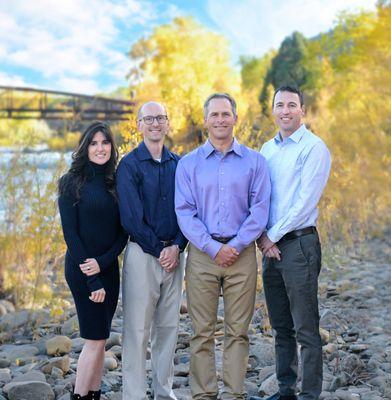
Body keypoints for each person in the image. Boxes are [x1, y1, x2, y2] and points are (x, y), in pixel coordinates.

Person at [175, 93, 271, 400]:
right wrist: (213, 248)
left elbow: (260, 209)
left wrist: (238, 244)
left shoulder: (256, 162)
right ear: (205, 120)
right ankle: (203, 394)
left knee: (238, 331)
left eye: (225, 114)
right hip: (202, 256)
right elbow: (184, 212)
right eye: (214, 114)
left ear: (235, 118)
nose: (220, 120)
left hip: (242, 257)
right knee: (201, 333)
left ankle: (233, 394)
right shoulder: (188, 164)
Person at [258, 86, 331, 400]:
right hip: (270, 247)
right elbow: (259, 197)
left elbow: (305, 202)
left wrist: (271, 236)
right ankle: (286, 390)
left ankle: (310, 394)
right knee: (281, 326)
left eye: (291, 105)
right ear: (273, 111)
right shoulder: (266, 149)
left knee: (305, 327)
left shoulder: (314, 148)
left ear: (303, 110)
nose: (285, 110)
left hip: (299, 245)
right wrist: (262, 236)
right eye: (279, 105)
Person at [116, 101, 188, 400]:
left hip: (176, 256)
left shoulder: (180, 164)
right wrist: (162, 249)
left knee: (168, 328)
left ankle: (163, 392)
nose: (155, 123)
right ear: (139, 125)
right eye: (149, 119)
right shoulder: (129, 165)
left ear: (167, 123)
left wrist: (177, 246)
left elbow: (190, 210)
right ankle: (133, 395)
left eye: (160, 118)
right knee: (136, 331)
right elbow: (130, 219)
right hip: (143, 256)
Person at [58, 121, 128, 400]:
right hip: (81, 269)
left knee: (101, 338)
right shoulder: (70, 183)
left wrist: (105, 263)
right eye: (94, 143)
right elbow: (71, 234)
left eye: (105, 143)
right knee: (95, 339)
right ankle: (79, 396)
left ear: (112, 147)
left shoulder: (116, 182)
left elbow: (123, 232)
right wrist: (92, 276)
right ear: (85, 147)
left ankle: (94, 394)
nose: (100, 148)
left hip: (109, 269)